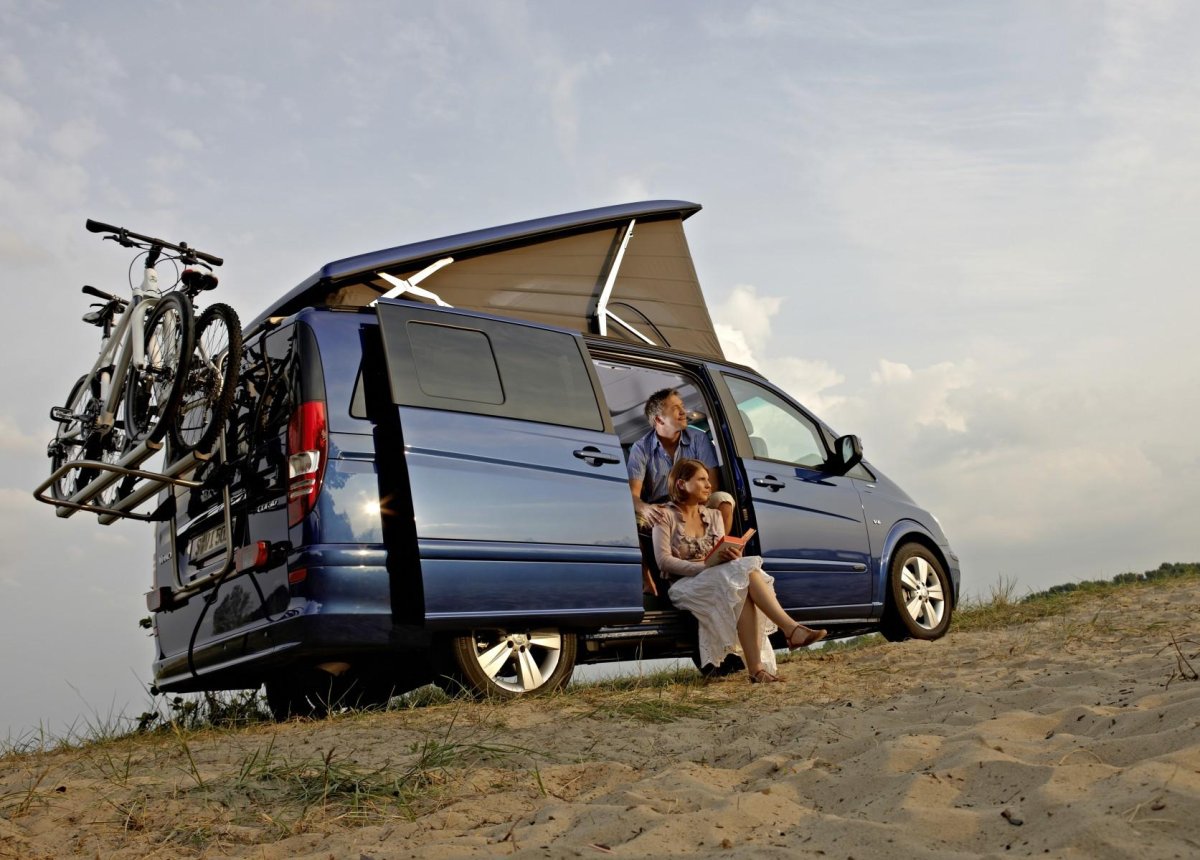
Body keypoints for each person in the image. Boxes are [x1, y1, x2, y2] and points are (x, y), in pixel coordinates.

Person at [652, 458, 827, 683]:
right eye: (702, 480)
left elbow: (722, 557)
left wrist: (731, 556)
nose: (709, 485)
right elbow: (663, 561)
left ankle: (757, 669)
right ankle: (790, 629)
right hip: (684, 585)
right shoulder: (664, 515)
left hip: (718, 576)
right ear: (682, 484)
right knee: (743, 578)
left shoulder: (713, 516)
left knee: (742, 582)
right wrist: (702, 567)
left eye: (708, 480)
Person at [627, 388, 734, 533]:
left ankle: (718, 554)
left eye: (682, 406)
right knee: (636, 519)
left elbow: (712, 484)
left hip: (696, 501)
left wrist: (692, 507)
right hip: (662, 508)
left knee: (723, 499)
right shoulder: (640, 448)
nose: (683, 412)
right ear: (659, 419)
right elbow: (633, 494)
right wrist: (645, 508)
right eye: (675, 408)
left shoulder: (699, 438)